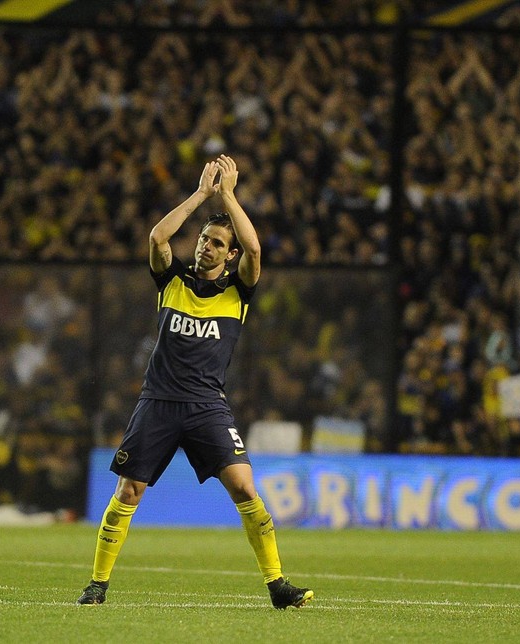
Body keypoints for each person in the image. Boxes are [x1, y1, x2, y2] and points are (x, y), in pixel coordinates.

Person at [76, 155, 313, 609]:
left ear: (230, 255)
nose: (206, 246)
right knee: (129, 491)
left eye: (217, 243)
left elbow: (256, 250)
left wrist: (229, 196)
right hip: (159, 402)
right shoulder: (172, 280)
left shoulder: (238, 290)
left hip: (207, 406)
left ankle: (277, 586)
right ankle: (97, 585)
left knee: (245, 487)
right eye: (204, 238)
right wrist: (202, 194)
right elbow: (157, 237)